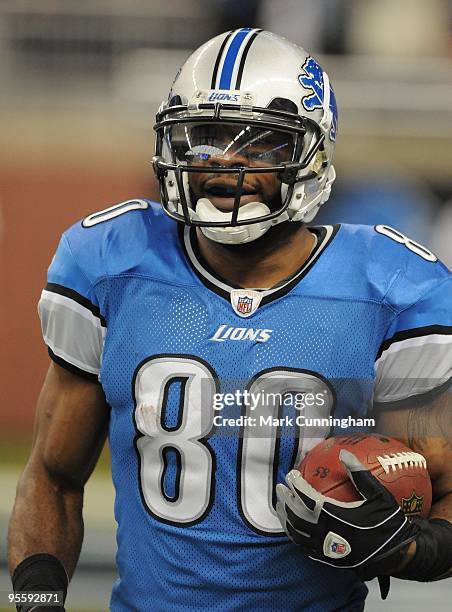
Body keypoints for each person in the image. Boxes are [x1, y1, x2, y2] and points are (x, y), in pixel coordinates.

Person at [8, 28, 452, 612]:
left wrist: (403, 549)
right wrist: (38, 602)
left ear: (312, 154)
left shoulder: (391, 288)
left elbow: (443, 492)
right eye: (205, 137)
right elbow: (54, 476)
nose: (223, 163)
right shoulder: (113, 262)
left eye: (259, 143)